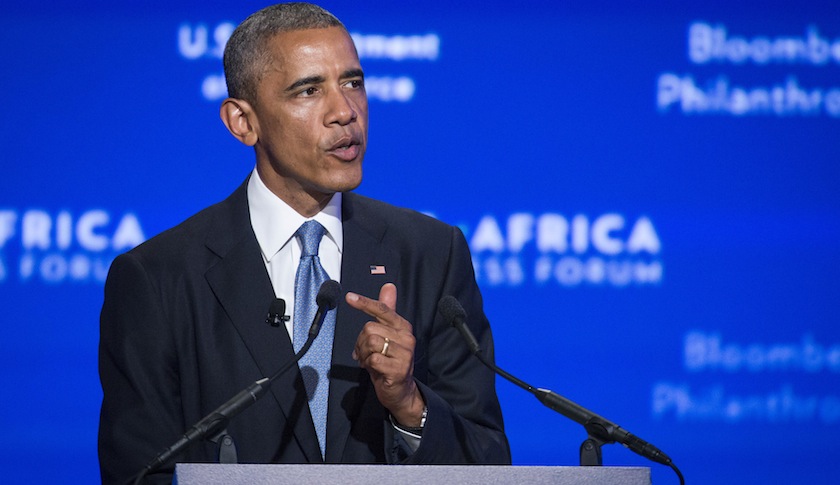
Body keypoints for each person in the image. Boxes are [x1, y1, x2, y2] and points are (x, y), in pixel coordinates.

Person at [98, 3, 510, 483]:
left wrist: (409, 404)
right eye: (309, 90)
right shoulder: (158, 278)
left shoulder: (431, 254)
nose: (345, 112)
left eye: (353, 83)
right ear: (242, 122)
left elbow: (488, 462)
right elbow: (139, 473)